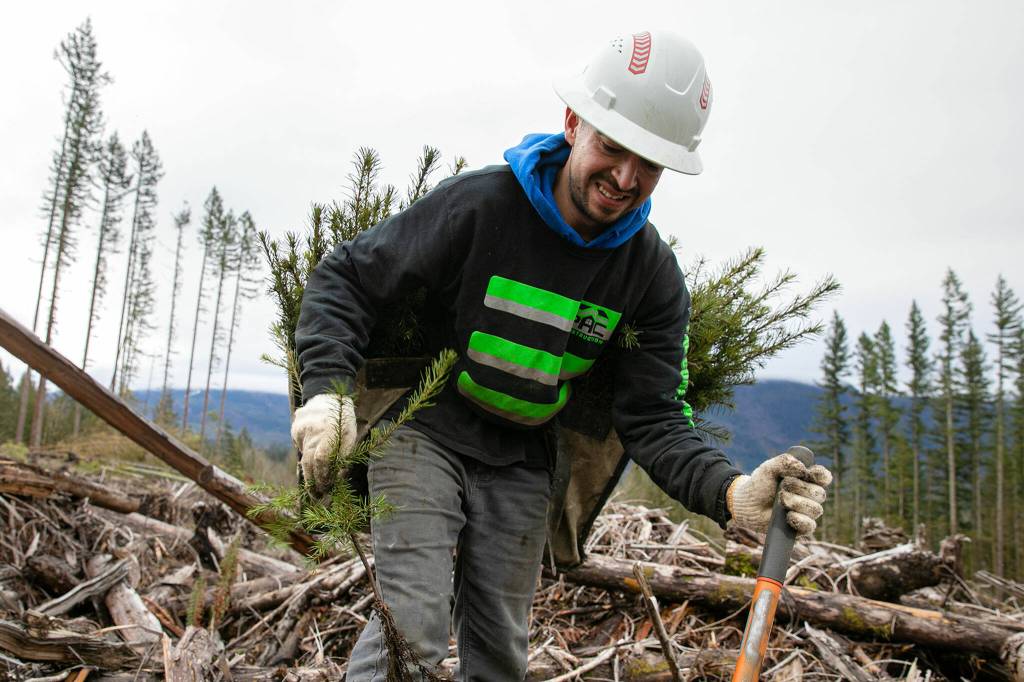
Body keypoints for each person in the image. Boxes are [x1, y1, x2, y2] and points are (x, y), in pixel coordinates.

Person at [292, 30, 831, 681]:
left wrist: (733, 492)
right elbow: (348, 276)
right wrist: (326, 392)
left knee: (498, 655)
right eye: (612, 147)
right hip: (425, 433)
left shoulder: (650, 276)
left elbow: (654, 416)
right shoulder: (483, 207)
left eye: (650, 164)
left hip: (523, 457)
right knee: (414, 629)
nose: (626, 178)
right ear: (574, 122)